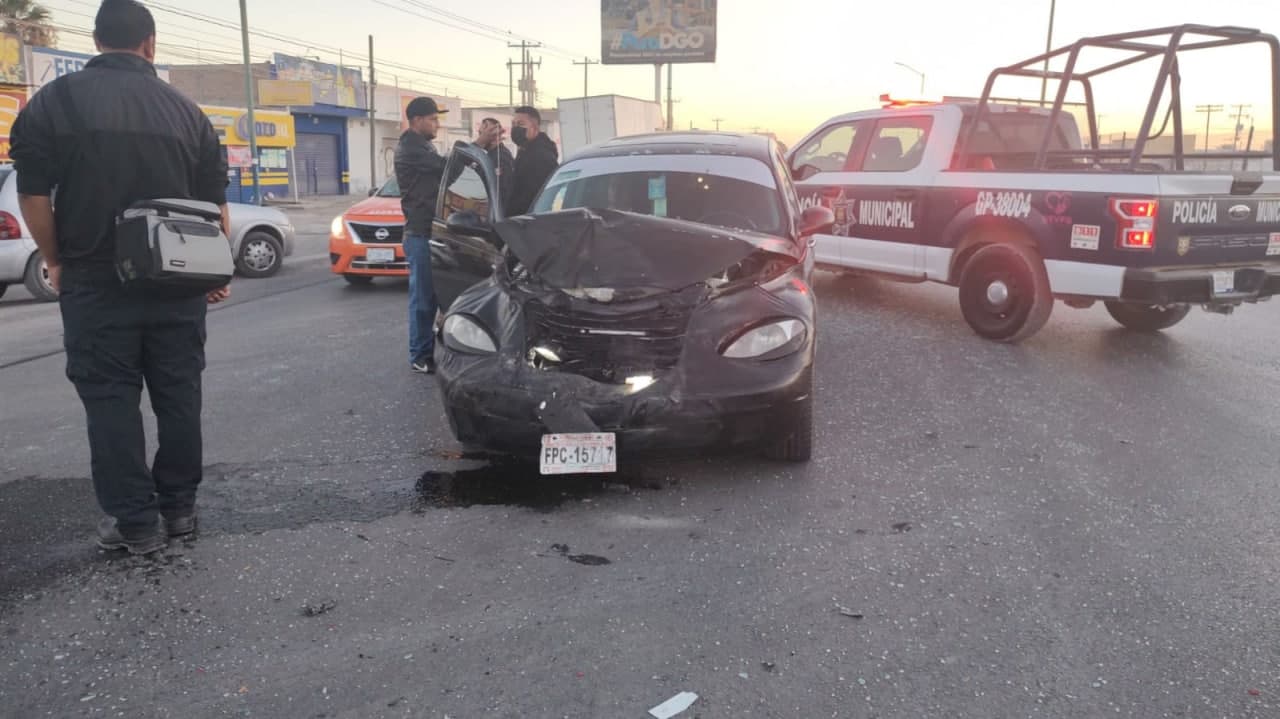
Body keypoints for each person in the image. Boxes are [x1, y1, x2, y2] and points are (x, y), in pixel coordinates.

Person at [9, 0, 230, 555]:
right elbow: (215, 208)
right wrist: (211, 272)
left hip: (96, 280)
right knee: (179, 396)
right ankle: (179, 510)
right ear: (150, 44)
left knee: (110, 401)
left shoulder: (54, 102)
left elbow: (32, 194)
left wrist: (56, 259)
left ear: (96, 40)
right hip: (177, 282)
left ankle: (135, 524)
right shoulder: (188, 112)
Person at [394, 97, 449, 374]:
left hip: (433, 230)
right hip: (420, 233)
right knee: (423, 298)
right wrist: (477, 146)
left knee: (438, 295)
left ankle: (435, 344)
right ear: (416, 121)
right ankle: (420, 355)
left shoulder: (424, 145)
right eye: (433, 119)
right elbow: (446, 167)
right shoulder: (411, 148)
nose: (437, 124)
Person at [506, 106, 559, 217]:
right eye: (513, 124)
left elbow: (533, 197)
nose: (515, 128)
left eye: (520, 124)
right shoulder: (525, 150)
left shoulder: (542, 157)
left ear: (535, 128)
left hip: (529, 221)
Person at [475, 117, 514, 208]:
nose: (482, 137)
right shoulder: (491, 155)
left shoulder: (500, 157)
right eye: (480, 133)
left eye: (485, 134)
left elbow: (500, 191)